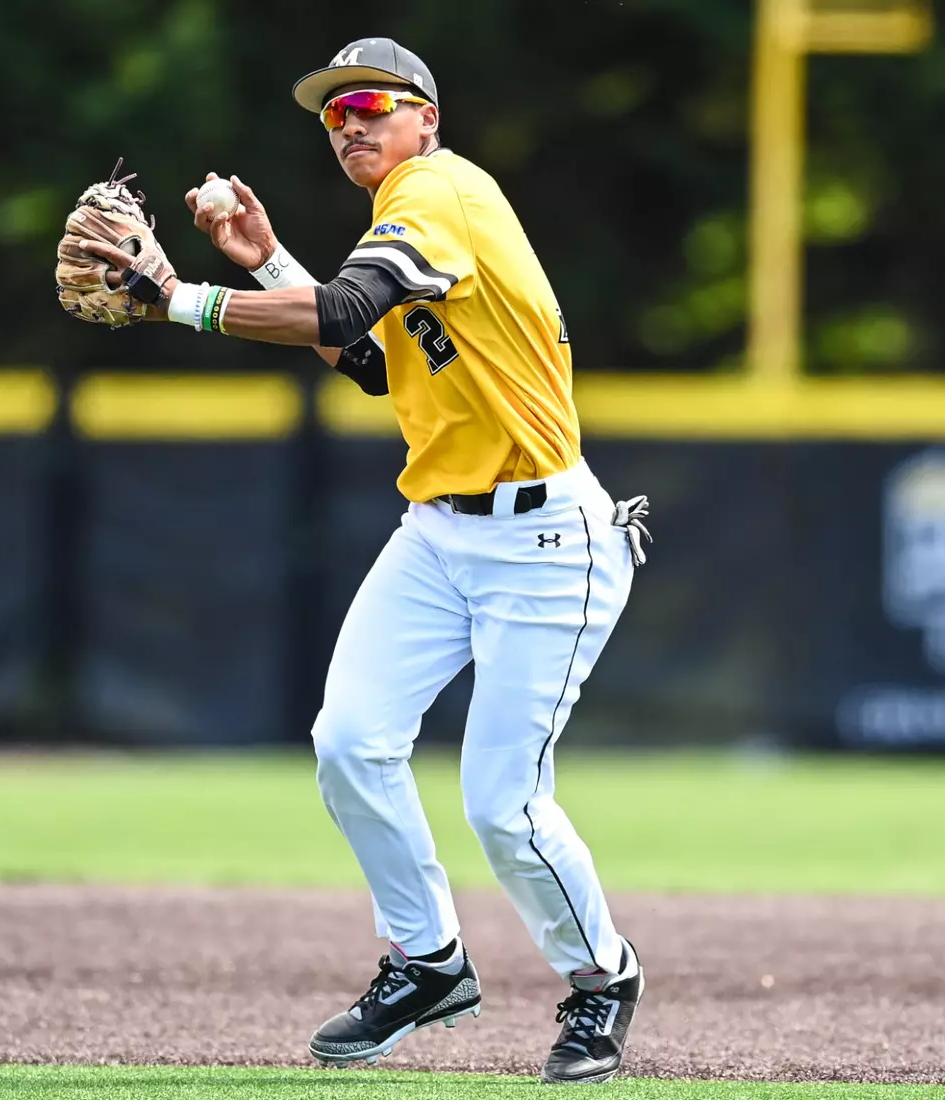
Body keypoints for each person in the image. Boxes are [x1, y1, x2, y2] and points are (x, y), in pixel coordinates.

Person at [71, 36, 651, 1087]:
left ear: (427, 115)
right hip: (439, 531)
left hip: (546, 541)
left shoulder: (441, 191)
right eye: (330, 115)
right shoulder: (408, 222)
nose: (348, 124)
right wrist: (265, 262)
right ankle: (428, 957)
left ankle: (601, 977)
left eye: (370, 103)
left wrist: (178, 297)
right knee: (350, 739)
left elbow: (339, 314)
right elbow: (375, 358)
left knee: (502, 804)